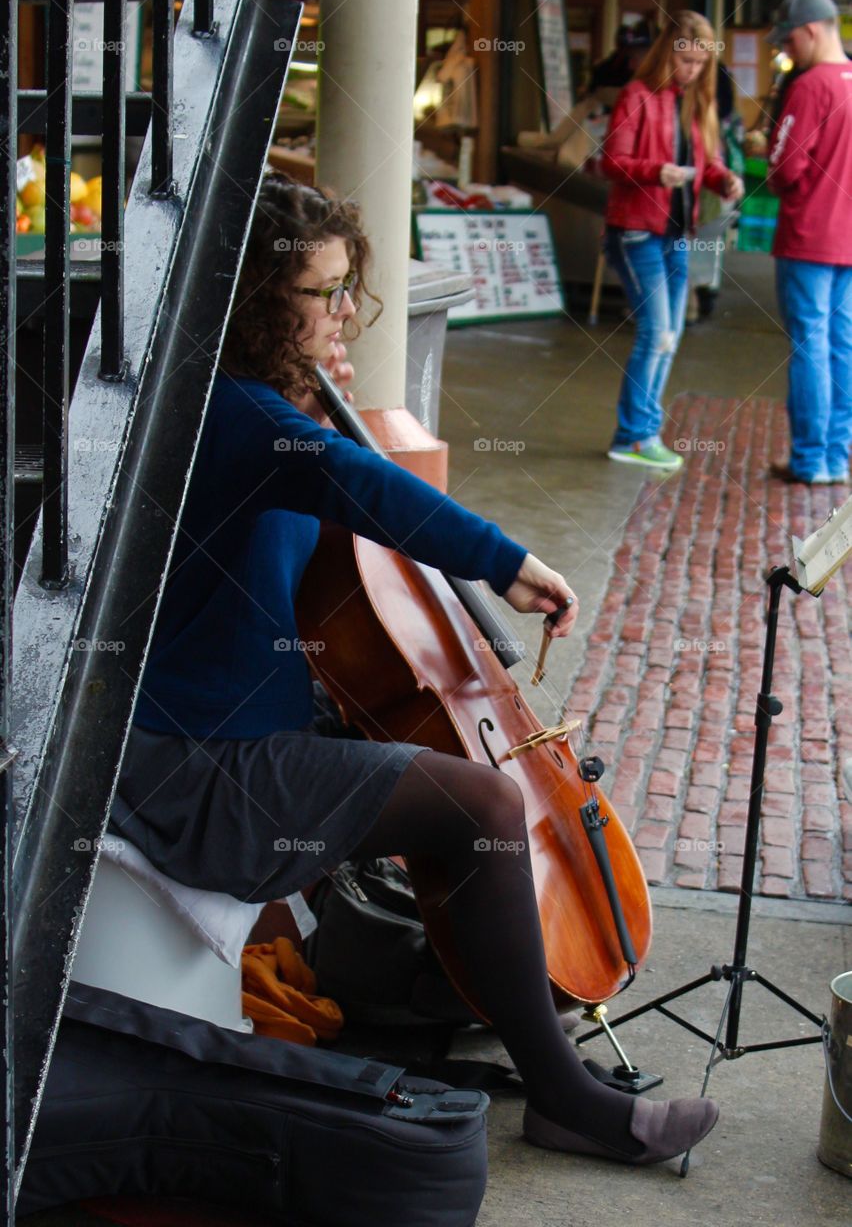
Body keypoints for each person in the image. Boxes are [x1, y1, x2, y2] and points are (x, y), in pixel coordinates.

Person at [110, 172, 718, 1167]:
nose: (341, 311)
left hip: (239, 737)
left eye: (347, 289)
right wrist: (511, 563)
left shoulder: (252, 406)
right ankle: (563, 1092)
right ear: (257, 298)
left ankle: (519, 1039)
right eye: (321, 292)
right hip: (196, 773)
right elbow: (361, 484)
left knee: (449, 802)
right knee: (479, 806)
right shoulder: (233, 415)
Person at [601, 11, 744, 469]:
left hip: (678, 233)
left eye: (701, 63)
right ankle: (634, 436)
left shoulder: (698, 105)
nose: (693, 70)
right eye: (687, 60)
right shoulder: (636, 96)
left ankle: (642, 432)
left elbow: (710, 163)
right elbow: (611, 161)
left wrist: (724, 181)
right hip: (636, 230)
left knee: (670, 336)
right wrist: (652, 171)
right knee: (657, 332)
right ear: (668, 54)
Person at [766, 0, 852, 486]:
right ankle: (836, 459)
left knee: (809, 345)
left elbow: (784, 165)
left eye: (791, 39)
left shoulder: (811, 86)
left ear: (813, 29)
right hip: (847, 240)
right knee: (842, 348)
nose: (788, 49)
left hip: (807, 238)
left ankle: (809, 459)